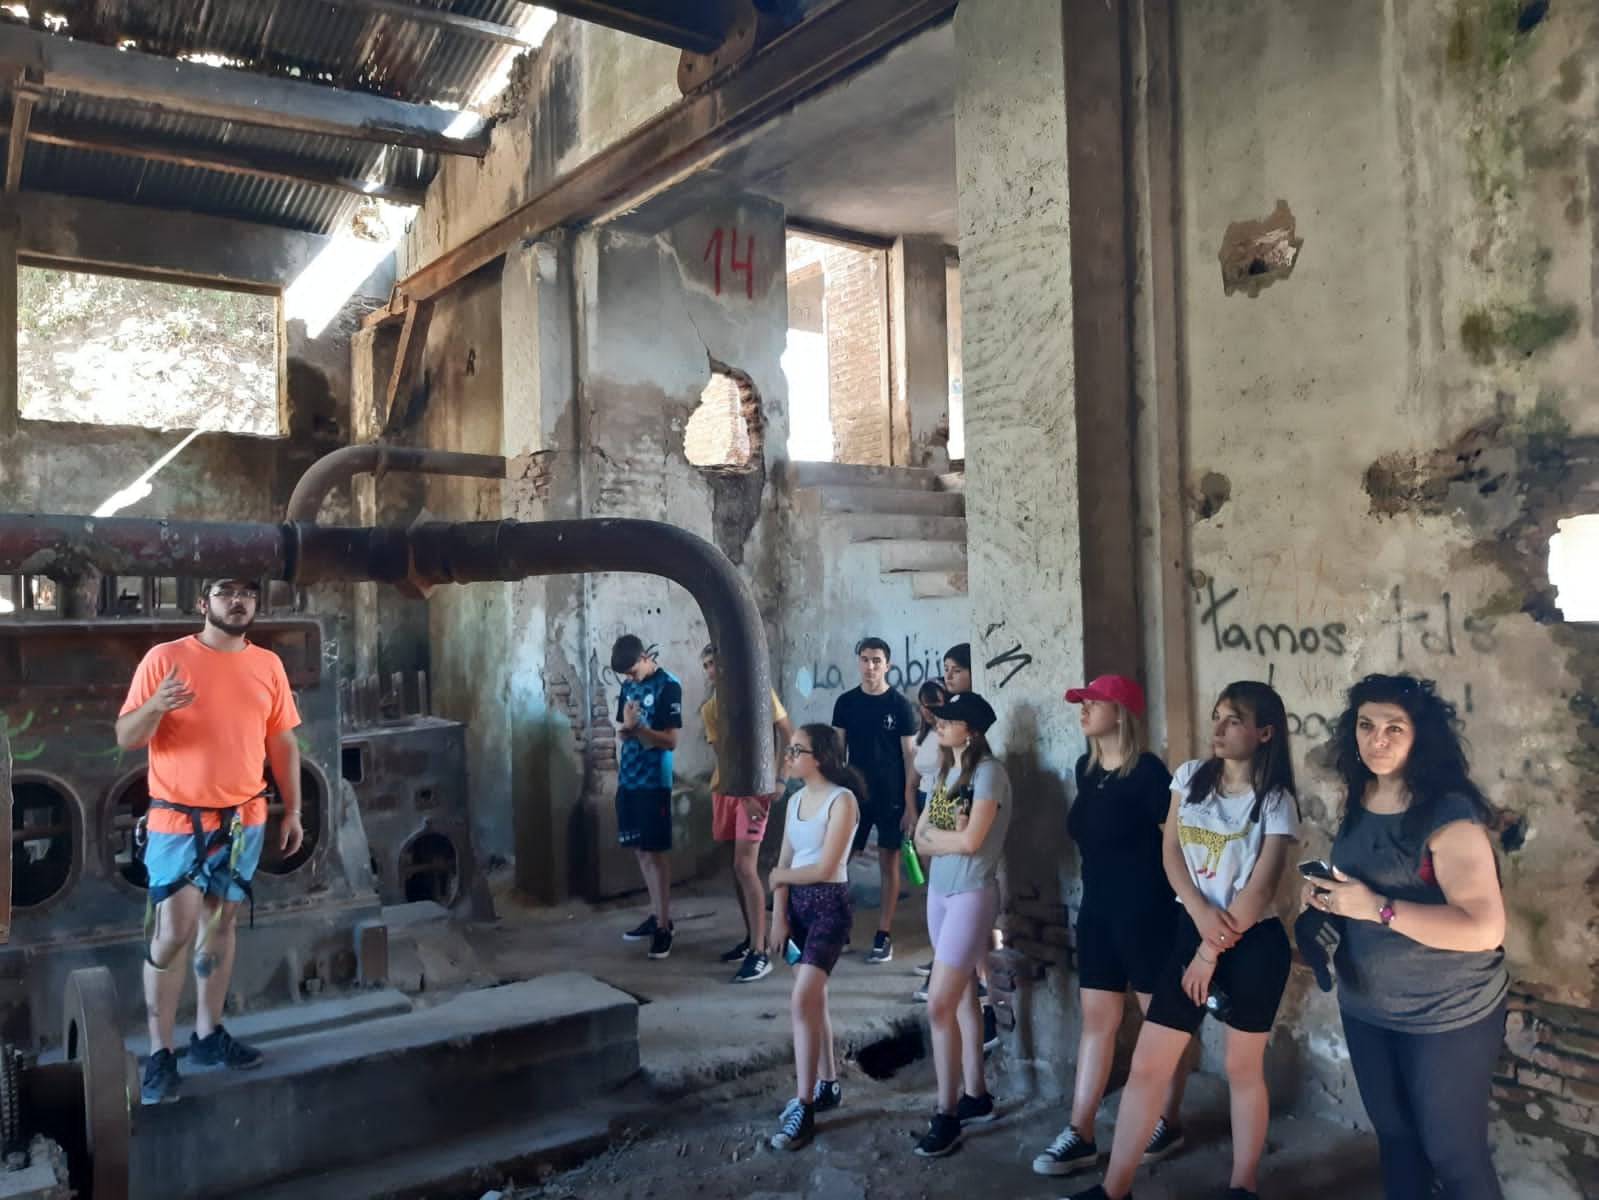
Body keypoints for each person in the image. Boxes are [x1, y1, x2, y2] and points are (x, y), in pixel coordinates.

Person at [1070, 681, 1298, 1200]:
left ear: (1264, 733)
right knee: (1149, 1063)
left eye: (1233, 719)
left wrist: (1209, 951)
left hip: (1252, 944)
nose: (1217, 728)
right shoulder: (1190, 776)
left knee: (1241, 1069)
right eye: (1216, 716)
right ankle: (1114, 1189)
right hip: (1190, 932)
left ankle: (1242, 1185)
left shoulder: (1276, 800)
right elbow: (1170, 851)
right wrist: (1197, 919)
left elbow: (1260, 888)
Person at [1305, 674, 1508, 1200]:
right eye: (1366, 725)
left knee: (1453, 1154)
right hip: (1367, 1005)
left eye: (1395, 727)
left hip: (1447, 1013)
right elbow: (1365, 875)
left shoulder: (1449, 816)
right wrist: (1328, 896)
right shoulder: (1362, 793)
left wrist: (1376, 908)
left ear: (1422, 736)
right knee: (1396, 1144)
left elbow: (1485, 928)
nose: (1378, 739)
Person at [116, 578, 304, 1105]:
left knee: (220, 927)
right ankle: (160, 1053)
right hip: (178, 822)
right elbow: (126, 735)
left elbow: (281, 739)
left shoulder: (267, 665)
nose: (237, 601)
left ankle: (207, 1035)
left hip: (244, 820)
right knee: (174, 931)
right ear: (203, 603)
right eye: (225, 592)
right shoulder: (166, 658)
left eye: (246, 593)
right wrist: (154, 705)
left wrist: (293, 809)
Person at [1034, 675, 1190, 1176]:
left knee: (1162, 1023)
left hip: (1146, 913)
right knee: (1097, 1022)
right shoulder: (1086, 769)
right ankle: (1080, 1132)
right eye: (1082, 702)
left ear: (1120, 712)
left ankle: (1167, 1119)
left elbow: (1177, 843)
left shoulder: (1147, 773)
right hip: (1098, 913)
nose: (1083, 710)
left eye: (1093, 702)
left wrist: (1190, 905)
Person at [910, 690, 1012, 1157]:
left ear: (970, 728)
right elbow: (919, 839)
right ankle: (976, 1094)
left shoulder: (989, 773)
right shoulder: (948, 773)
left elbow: (972, 843)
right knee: (963, 996)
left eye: (949, 720)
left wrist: (945, 836)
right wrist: (950, 836)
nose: (939, 724)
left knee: (938, 1006)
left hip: (971, 893)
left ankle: (946, 1114)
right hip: (940, 893)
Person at [767, 725, 862, 1151]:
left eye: (796, 750)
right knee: (814, 999)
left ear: (820, 757)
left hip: (829, 906)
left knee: (802, 999)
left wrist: (779, 877)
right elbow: (783, 859)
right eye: (790, 750)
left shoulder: (842, 801)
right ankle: (827, 1084)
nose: (789, 756)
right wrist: (777, 917)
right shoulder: (795, 800)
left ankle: (803, 1106)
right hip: (798, 908)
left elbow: (824, 867)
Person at [700, 643, 794, 983]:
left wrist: (781, 777)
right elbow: (723, 756)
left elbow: (789, 735)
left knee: (746, 866)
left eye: (715, 662)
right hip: (727, 789)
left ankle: (761, 951)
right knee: (735, 867)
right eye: (707, 665)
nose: (711, 670)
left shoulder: (759, 694)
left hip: (756, 789)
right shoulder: (710, 708)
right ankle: (749, 938)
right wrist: (735, 791)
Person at [831, 636, 917, 964]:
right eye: (865, 659)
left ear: (887, 665)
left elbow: (909, 756)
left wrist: (910, 805)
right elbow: (838, 754)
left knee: (888, 861)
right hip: (854, 794)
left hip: (891, 794)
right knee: (840, 859)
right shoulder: (846, 703)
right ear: (858, 662)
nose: (870, 666)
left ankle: (883, 933)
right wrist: (834, 794)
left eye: (876, 660)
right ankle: (840, 927)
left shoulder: (899, 705)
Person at [611, 635, 683, 961]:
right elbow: (622, 729)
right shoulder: (627, 687)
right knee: (640, 850)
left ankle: (665, 926)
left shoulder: (668, 686)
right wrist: (626, 730)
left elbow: (670, 741)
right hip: (628, 777)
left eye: (632, 671)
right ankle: (655, 915)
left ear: (644, 656)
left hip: (654, 780)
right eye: (624, 675)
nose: (629, 679)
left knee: (655, 852)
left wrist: (638, 729)